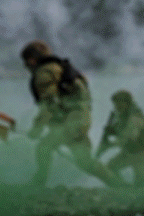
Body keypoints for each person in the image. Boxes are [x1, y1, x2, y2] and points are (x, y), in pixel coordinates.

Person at [20, 40, 121, 188]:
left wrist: (37, 129)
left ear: (31, 61)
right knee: (85, 162)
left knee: (43, 147)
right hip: (81, 120)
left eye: (26, 63)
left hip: (71, 123)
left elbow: (48, 105)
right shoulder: (61, 68)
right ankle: (119, 185)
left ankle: (39, 182)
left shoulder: (44, 73)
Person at [96, 89, 144, 188]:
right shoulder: (122, 115)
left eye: (120, 103)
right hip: (129, 152)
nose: (117, 106)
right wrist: (112, 130)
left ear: (127, 103)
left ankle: (131, 190)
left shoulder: (134, 118)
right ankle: (123, 187)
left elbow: (127, 138)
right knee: (110, 168)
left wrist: (108, 145)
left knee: (141, 181)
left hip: (142, 153)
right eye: (115, 104)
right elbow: (120, 128)